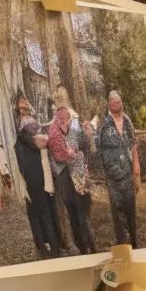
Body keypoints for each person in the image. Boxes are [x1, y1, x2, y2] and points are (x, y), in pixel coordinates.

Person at [13, 92, 61, 259]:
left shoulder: (21, 140)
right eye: (21, 108)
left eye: (25, 107)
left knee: (39, 215)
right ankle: (53, 247)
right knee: (46, 214)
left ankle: (47, 247)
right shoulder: (33, 136)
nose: (24, 110)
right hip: (40, 181)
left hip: (33, 183)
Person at [47, 102, 96, 253]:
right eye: (60, 118)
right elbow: (54, 155)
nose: (63, 121)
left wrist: (88, 134)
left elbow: (86, 147)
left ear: (69, 118)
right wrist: (67, 155)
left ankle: (92, 248)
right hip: (65, 180)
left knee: (83, 216)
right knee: (74, 217)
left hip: (79, 177)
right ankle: (83, 249)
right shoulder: (53, 133)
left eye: (65, 118)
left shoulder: (76, 129)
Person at [98, 89, 141, 249]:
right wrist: (113, 175)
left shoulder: (128, 121)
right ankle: (123, 248)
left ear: (122, 103)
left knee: (131, 213)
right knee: (118, 216)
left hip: (129, 176)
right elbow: (102, 154)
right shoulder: (104, 126)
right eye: (113, 102)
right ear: (109, 105)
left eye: (119, 101)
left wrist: (137, 173)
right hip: (114, 181)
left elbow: (134, 146)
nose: (117, 104)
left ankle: (135, 246)